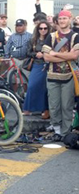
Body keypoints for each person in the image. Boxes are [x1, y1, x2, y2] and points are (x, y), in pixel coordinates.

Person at [42, 10, 79, 139]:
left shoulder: (75, 36)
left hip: (69, 76)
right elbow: (46, 57)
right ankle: (57, 131)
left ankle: (65, 132)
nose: (62, 21)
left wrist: (55, 54)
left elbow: (74, 55)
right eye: (60, 19)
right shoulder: (51, 36)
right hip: (52, 75)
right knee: (54, 105)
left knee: (67, 106)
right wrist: (66, 56)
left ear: (70, 19)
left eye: (65, 18)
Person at [23, 21, 51, 119]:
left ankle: (45, 109)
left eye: (45, 28)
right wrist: (36, 54)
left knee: (45, 88)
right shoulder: (33, 40)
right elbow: (28, 52)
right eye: (41, 28)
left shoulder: (51, 39)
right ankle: (29, 108)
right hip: (37, 65)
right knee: (31, 86)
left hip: (48, 65)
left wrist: (44, 55)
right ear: (37, 29)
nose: (43, 30)